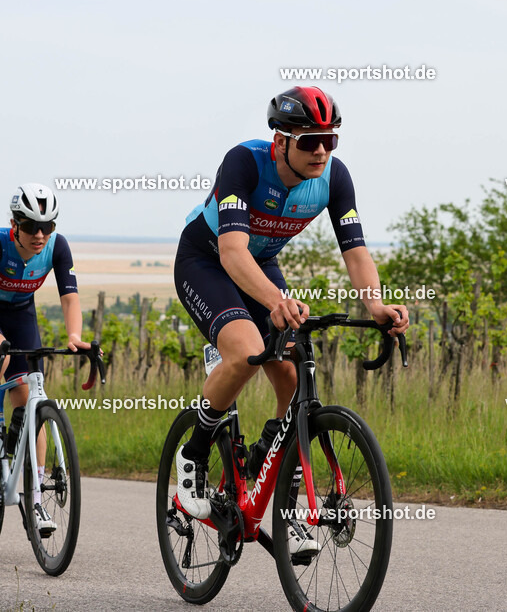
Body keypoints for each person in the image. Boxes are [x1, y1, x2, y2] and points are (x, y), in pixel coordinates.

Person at [173, 86, 409, 554]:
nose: (321, 150)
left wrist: (376, 306)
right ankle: (193, 454)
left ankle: (273, 481)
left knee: (294, 370)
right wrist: (275, 300)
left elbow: (356, 252)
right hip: (207, 260)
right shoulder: (244, 163)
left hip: (259, 267)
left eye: (330, 139)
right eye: (308, 141)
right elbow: (232, 251)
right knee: (244, 352)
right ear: (280, 140)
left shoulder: (334, 178)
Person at [0, 183, 89, 535]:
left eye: (48, 226)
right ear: (15, 223)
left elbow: (70, 298)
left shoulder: (57, 247)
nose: (40, 235)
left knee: (30, 399)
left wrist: (74, 336)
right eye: (30, 226)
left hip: (20, 313)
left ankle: (36, 497)